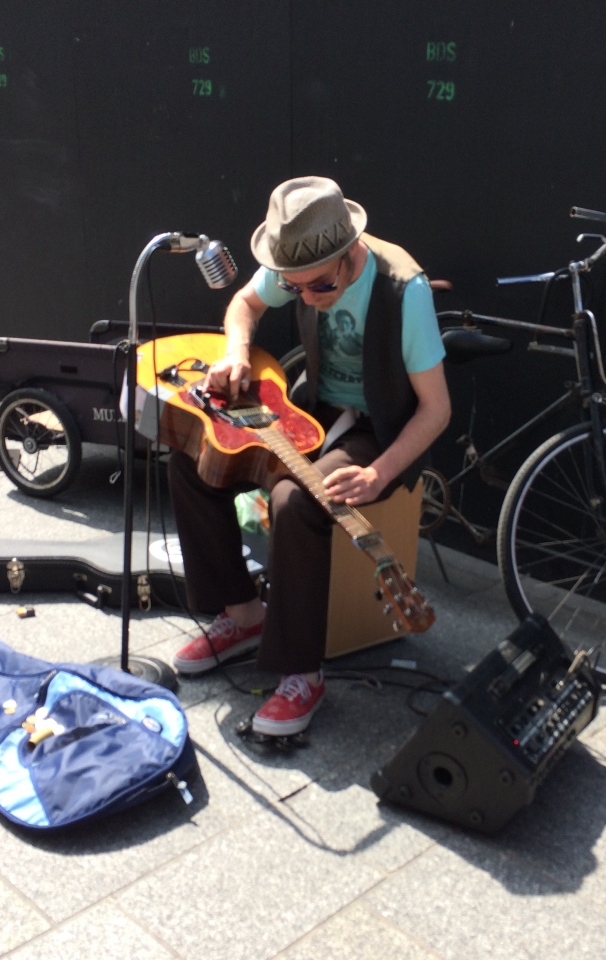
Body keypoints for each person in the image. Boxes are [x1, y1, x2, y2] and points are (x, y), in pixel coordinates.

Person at [169, 177, 450, 736]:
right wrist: (236, 351)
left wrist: (379, 474)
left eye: (320, 286)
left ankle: (302, 673)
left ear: (349, 253)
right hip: (313, 406)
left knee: (295, 501)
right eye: (292, 288)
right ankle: (244, 614)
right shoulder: (297, 263)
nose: (307, 299)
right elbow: (244, 304)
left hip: (378, 424)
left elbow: (436, 409)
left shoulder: (403, 290)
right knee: (195, 456)